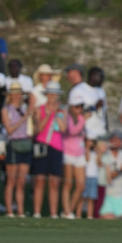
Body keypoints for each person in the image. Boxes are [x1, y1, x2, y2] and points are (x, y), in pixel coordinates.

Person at [31, 80, 65, 218]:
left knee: (54, 182)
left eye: (55, 94)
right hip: (42, 145)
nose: (52, 96)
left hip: (56, 146)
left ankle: (53, 213)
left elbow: (63, 128)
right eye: (50, 93)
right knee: (39, 180)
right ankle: (37, 212)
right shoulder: (40, 109)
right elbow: (38, 129)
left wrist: (57, 114)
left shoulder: (62, 110)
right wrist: (49, 114)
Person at [1, 82, 31, 218]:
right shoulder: (6, 110)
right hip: (13, 144)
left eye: (19, 93)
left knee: (21, 181)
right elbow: (9, 130)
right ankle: (9, 211)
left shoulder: (25, 108)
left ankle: (20, 210)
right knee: (11, 180)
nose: (17, 96)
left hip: (25, 144)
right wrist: (23, 119)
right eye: (14, 93)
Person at [61, 89, 88, 219]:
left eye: (81, 106)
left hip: (80, 153)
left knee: (81, 185)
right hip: (68, 152)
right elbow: (71, 131)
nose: (79, 108)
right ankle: (67, 211)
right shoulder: (68, 116)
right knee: (68, 183)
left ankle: (68, 211)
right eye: (77, 106)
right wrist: (83, 120)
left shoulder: (81, 118)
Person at [100, 132, 122, 220]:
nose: (114, 142)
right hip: (107, 196)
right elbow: (109, 175)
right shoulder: (105, 155)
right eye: (112, 139)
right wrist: (121, 170)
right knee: (109, 218)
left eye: (117, 140)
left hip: (121, 196)